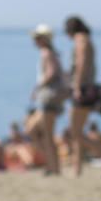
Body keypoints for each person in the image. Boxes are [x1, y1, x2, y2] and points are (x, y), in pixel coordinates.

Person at [64, 16, 101, 176]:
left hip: (83, 89)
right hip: (87, 88)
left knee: (75, 131)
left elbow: (81, 62)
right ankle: (77, 168)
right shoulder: (87, 39)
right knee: (77, 130)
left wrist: (77, 85)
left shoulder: (80, 39)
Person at [26, 24, 66, 176]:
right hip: (50, 97)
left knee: (45, 133)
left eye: (36, 38)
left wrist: (37, 87)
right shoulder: (52, 53)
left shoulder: (46, 53)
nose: (34, 41)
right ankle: (51, 165)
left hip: (48, 97)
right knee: (38, 131)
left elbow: (51, 73)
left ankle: (53, 167)